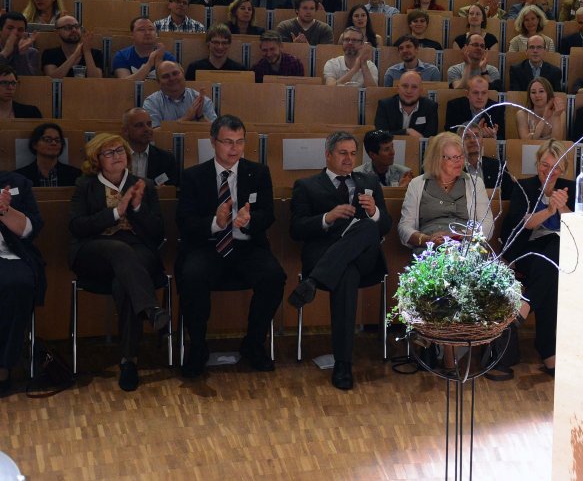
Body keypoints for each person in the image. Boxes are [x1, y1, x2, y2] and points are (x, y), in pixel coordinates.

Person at [176, 115, 286, 378]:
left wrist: (249, 221)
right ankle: (198, 347)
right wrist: (217, 222)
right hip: (207, 246)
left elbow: (268, 214)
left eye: (239, 142)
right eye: (228, 142)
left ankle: (254, 343)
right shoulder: (193, 176)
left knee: (274, 277)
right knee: (192, 276)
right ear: (213, 142)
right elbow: (185, 222)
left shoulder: (258, 172)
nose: (234, 148)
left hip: (247, 246)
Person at [288, 131, 391, 390]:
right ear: (328, 155)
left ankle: (313, 281)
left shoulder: (368, 181)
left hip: (363, 256)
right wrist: (327, 217)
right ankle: (343, 365)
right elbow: (296, 229)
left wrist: (374, 212)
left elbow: (386, 226)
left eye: (352, 153)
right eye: (342, 153)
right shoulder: (306, 185)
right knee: (346, 275)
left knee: (368, 228)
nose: (348, 159)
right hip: (329, 256)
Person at [68, 133, 168, 391]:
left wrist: (136, 208)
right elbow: (77, 227)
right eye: (109, 152)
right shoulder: (85, 185)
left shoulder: (142, 184)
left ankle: (128, 361)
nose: (117, 156)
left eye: (120, 151)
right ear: (96, 159)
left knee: (124, 283)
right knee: (119, 250)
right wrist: (115, 212)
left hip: (138, 249)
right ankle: (151, 309)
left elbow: (158, 232)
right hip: (95, 250)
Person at [499, 139, 573, 378]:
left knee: (554, 259)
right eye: (544, 164)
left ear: (563, 170)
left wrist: (562, 207)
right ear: (537, 163)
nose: (548, 170)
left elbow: (579, 228)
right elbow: (524, 224)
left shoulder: (570, 188)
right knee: (553, 262)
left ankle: (526, 304)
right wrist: (549, 209)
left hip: (554, 259)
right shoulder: (524, 187)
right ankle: (549, 353)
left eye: (555, 167)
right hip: (525, 251)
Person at [398, 132, 495, 253]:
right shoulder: (417, 184)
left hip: (466, 245)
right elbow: (404, 226)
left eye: (461, 156)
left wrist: (462, 235)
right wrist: (427, 240)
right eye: (453, 157)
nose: (459, 162)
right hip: (429, 247)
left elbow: (488, 224)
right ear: (437, 159)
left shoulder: (475, 183)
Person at [0, 167, 43, 395]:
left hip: (7, 254)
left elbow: (31, 231)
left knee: (19, 283)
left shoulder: (16, 183)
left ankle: (3, 368)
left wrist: (5, 211)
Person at [142, 61, 217, 126]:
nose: (172, 78)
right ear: (158, 82)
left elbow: (215, 133)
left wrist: (200, 117)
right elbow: (154, 134)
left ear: (183, 75)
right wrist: (186, 118)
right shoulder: (151, 103)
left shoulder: (202, 101)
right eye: (165, 76)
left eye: (175, 73)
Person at [121, 108, 178, 186]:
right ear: (125, 131)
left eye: (149, 124)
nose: (147, 129)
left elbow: (171, 191)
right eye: (139, 125)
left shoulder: (166, 159)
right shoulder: (115, 158)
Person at [15, 123, 82, 187]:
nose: (54, 143)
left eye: (57, 140)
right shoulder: (19, 176)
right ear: (34, 144)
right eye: (47, 139)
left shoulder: (76, 175)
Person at [374, 71, 438, 138]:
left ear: (421, 90)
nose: (409, 91)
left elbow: (430, 137)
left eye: (414, 87)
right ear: (398, 88)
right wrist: (406, 132)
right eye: (405, 86)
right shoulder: (385, 105)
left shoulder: (430, 107)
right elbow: (380, 134)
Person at [444, 74, 504, 139]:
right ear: (467, 94)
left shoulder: (497, 108)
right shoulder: (454, 106)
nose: (480, 97)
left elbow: (502, 138)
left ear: (488, 94)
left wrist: (494, 137)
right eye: (475, 93)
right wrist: (477, 133)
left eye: (484, 93)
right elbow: (450, 135)